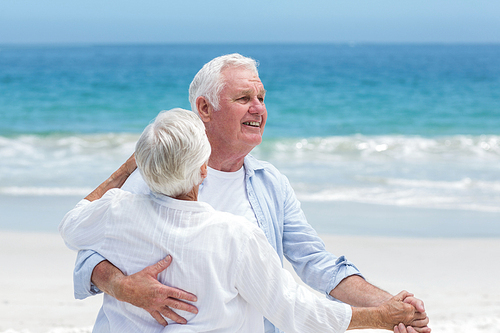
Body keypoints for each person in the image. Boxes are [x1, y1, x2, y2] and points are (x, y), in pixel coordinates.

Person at [65, 54, 430, 333]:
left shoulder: (269, 184)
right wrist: (124, 287)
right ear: (204, 109)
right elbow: (88, 254)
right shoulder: (159, 171)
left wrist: (395, 307)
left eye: (261, 96)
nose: (258, 108)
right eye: (243, 98)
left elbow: (317, 266)